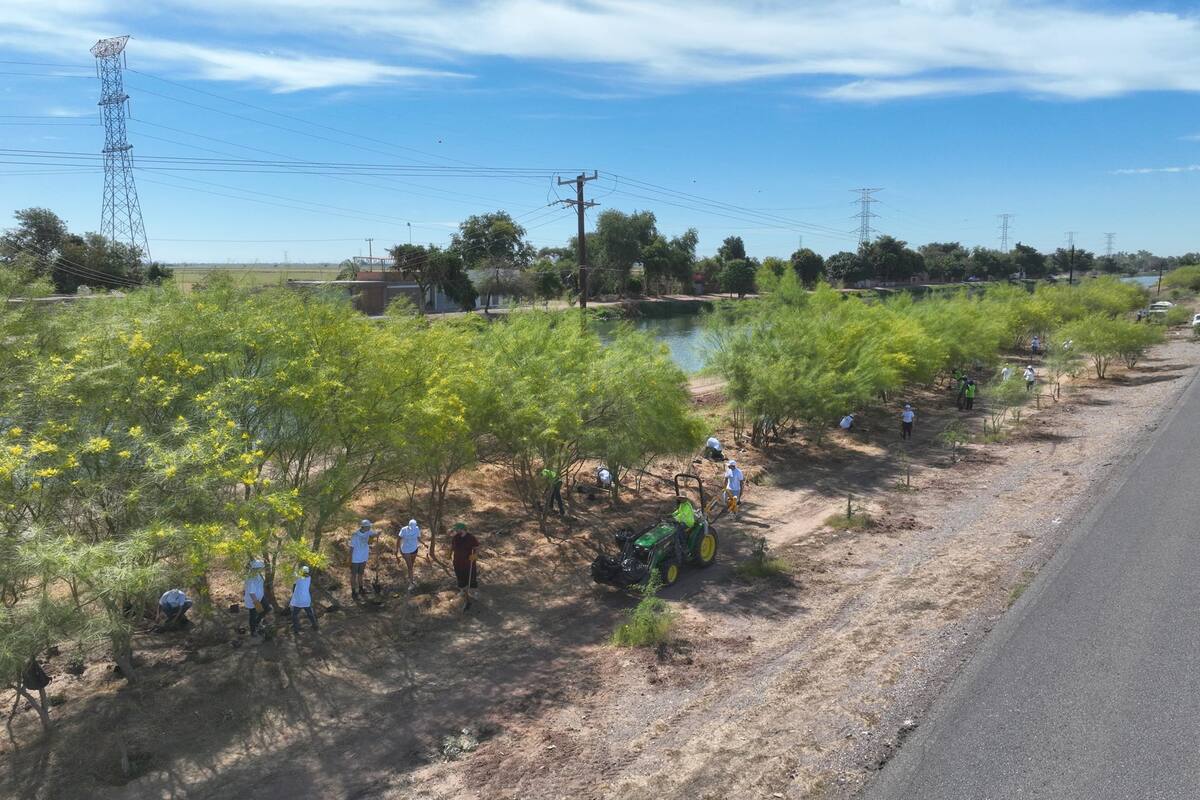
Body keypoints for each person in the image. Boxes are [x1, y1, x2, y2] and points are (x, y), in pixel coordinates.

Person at [449, 522, 480, 609]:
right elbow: (452, 546)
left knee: (471, 577)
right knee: (460, 577)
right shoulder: (456, 537)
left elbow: (477, 547)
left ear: (462, 529)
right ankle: (463, 591)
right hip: (457, 561)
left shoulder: (471, 538)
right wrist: (449, 553)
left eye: (457, 529)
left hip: (468, 562)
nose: (456, 531)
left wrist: (475, 555)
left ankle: (474, 592)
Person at [348, 519, 379, 601]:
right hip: (355, 558)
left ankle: (361, 588)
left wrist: (378, 533)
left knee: (361, 574)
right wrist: (350, 559)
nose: (370, 528)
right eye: (369, 526)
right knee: (354, 575)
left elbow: (375, 534)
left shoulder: (368, 532)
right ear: (364, 527)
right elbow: (351, 548)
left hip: (363, 557)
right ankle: (354, 591)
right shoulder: (355, 535)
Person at [289, 566, 318, 635]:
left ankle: (296, 629)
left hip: (299, 601)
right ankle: (315, 625)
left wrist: (294, 567)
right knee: (309, 613)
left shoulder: (298, 578)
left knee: (294, 615)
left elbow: (293, 574)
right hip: (306, 599)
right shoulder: (309, 578)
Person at [244, 560, 267, 637]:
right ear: (256, 568)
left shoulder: (258, 574)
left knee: (267, 609)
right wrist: (257, 604)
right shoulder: (251, 578)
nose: (261, 569)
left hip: (260, 597)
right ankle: (253, 631)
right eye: (260, 568)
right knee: (253, 615)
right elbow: (251, 593)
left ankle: (257, 623)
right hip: (253, 600)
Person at [396, 519, 420, 591]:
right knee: (409, 566)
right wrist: (397, 549)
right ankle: (411, 583)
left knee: (411, 565)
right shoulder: (403, 529)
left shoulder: (417, 529)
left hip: (414, 549)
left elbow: (418, 537)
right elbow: (398, 539)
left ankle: (410, 577)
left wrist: (424, 543)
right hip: (405, 550)